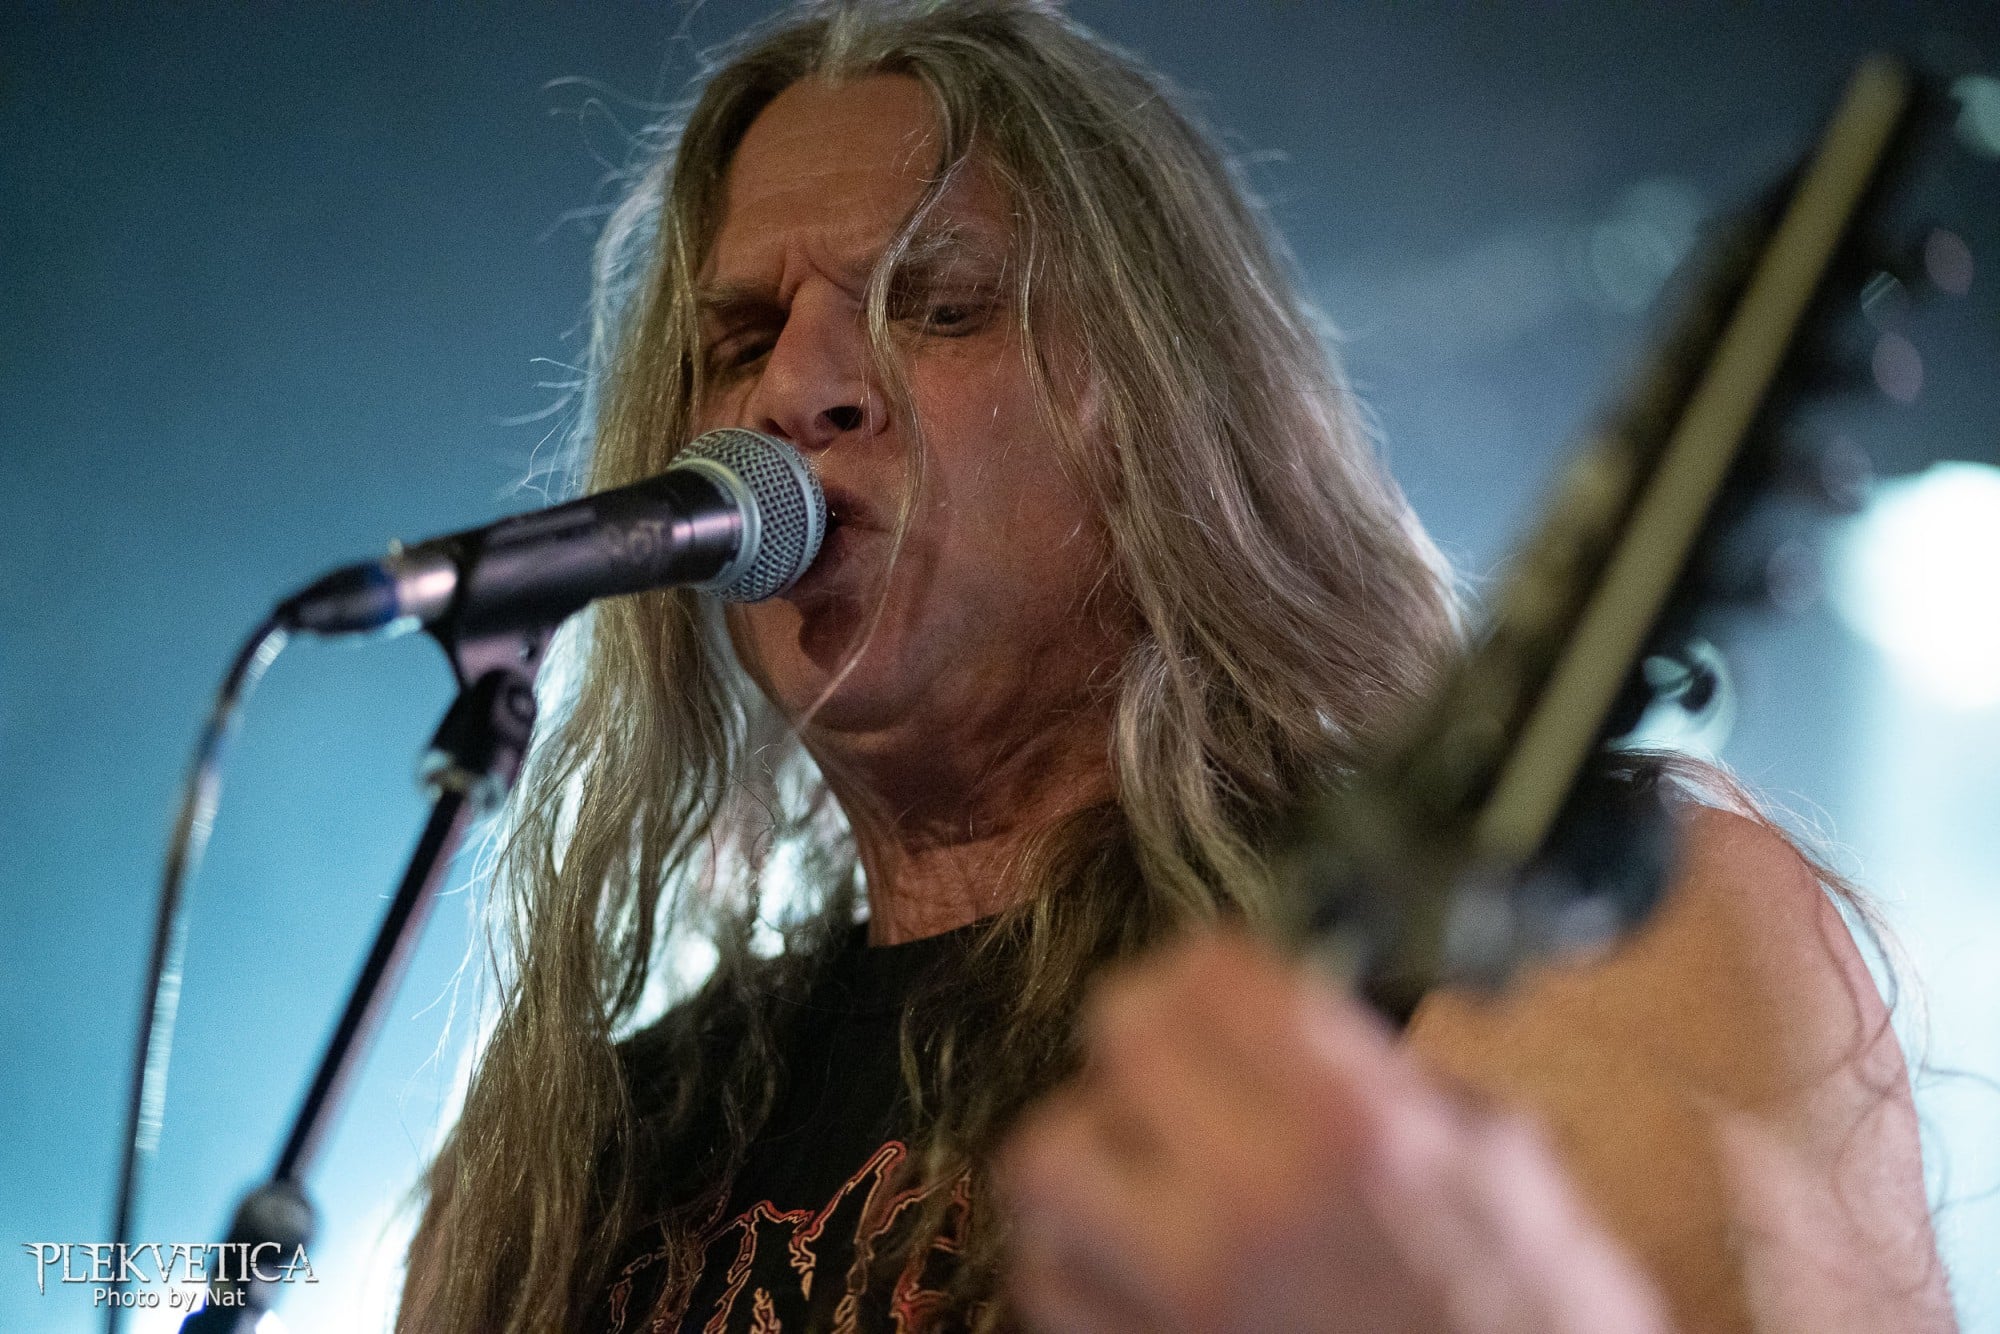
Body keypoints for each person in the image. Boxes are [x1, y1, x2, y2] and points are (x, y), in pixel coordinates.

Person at [398, 2, 1952, 1330]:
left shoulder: (1569, 928)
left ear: (1161, 415)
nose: (797, 389)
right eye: (740, 339)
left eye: (938, 305)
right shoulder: (567, 1170)